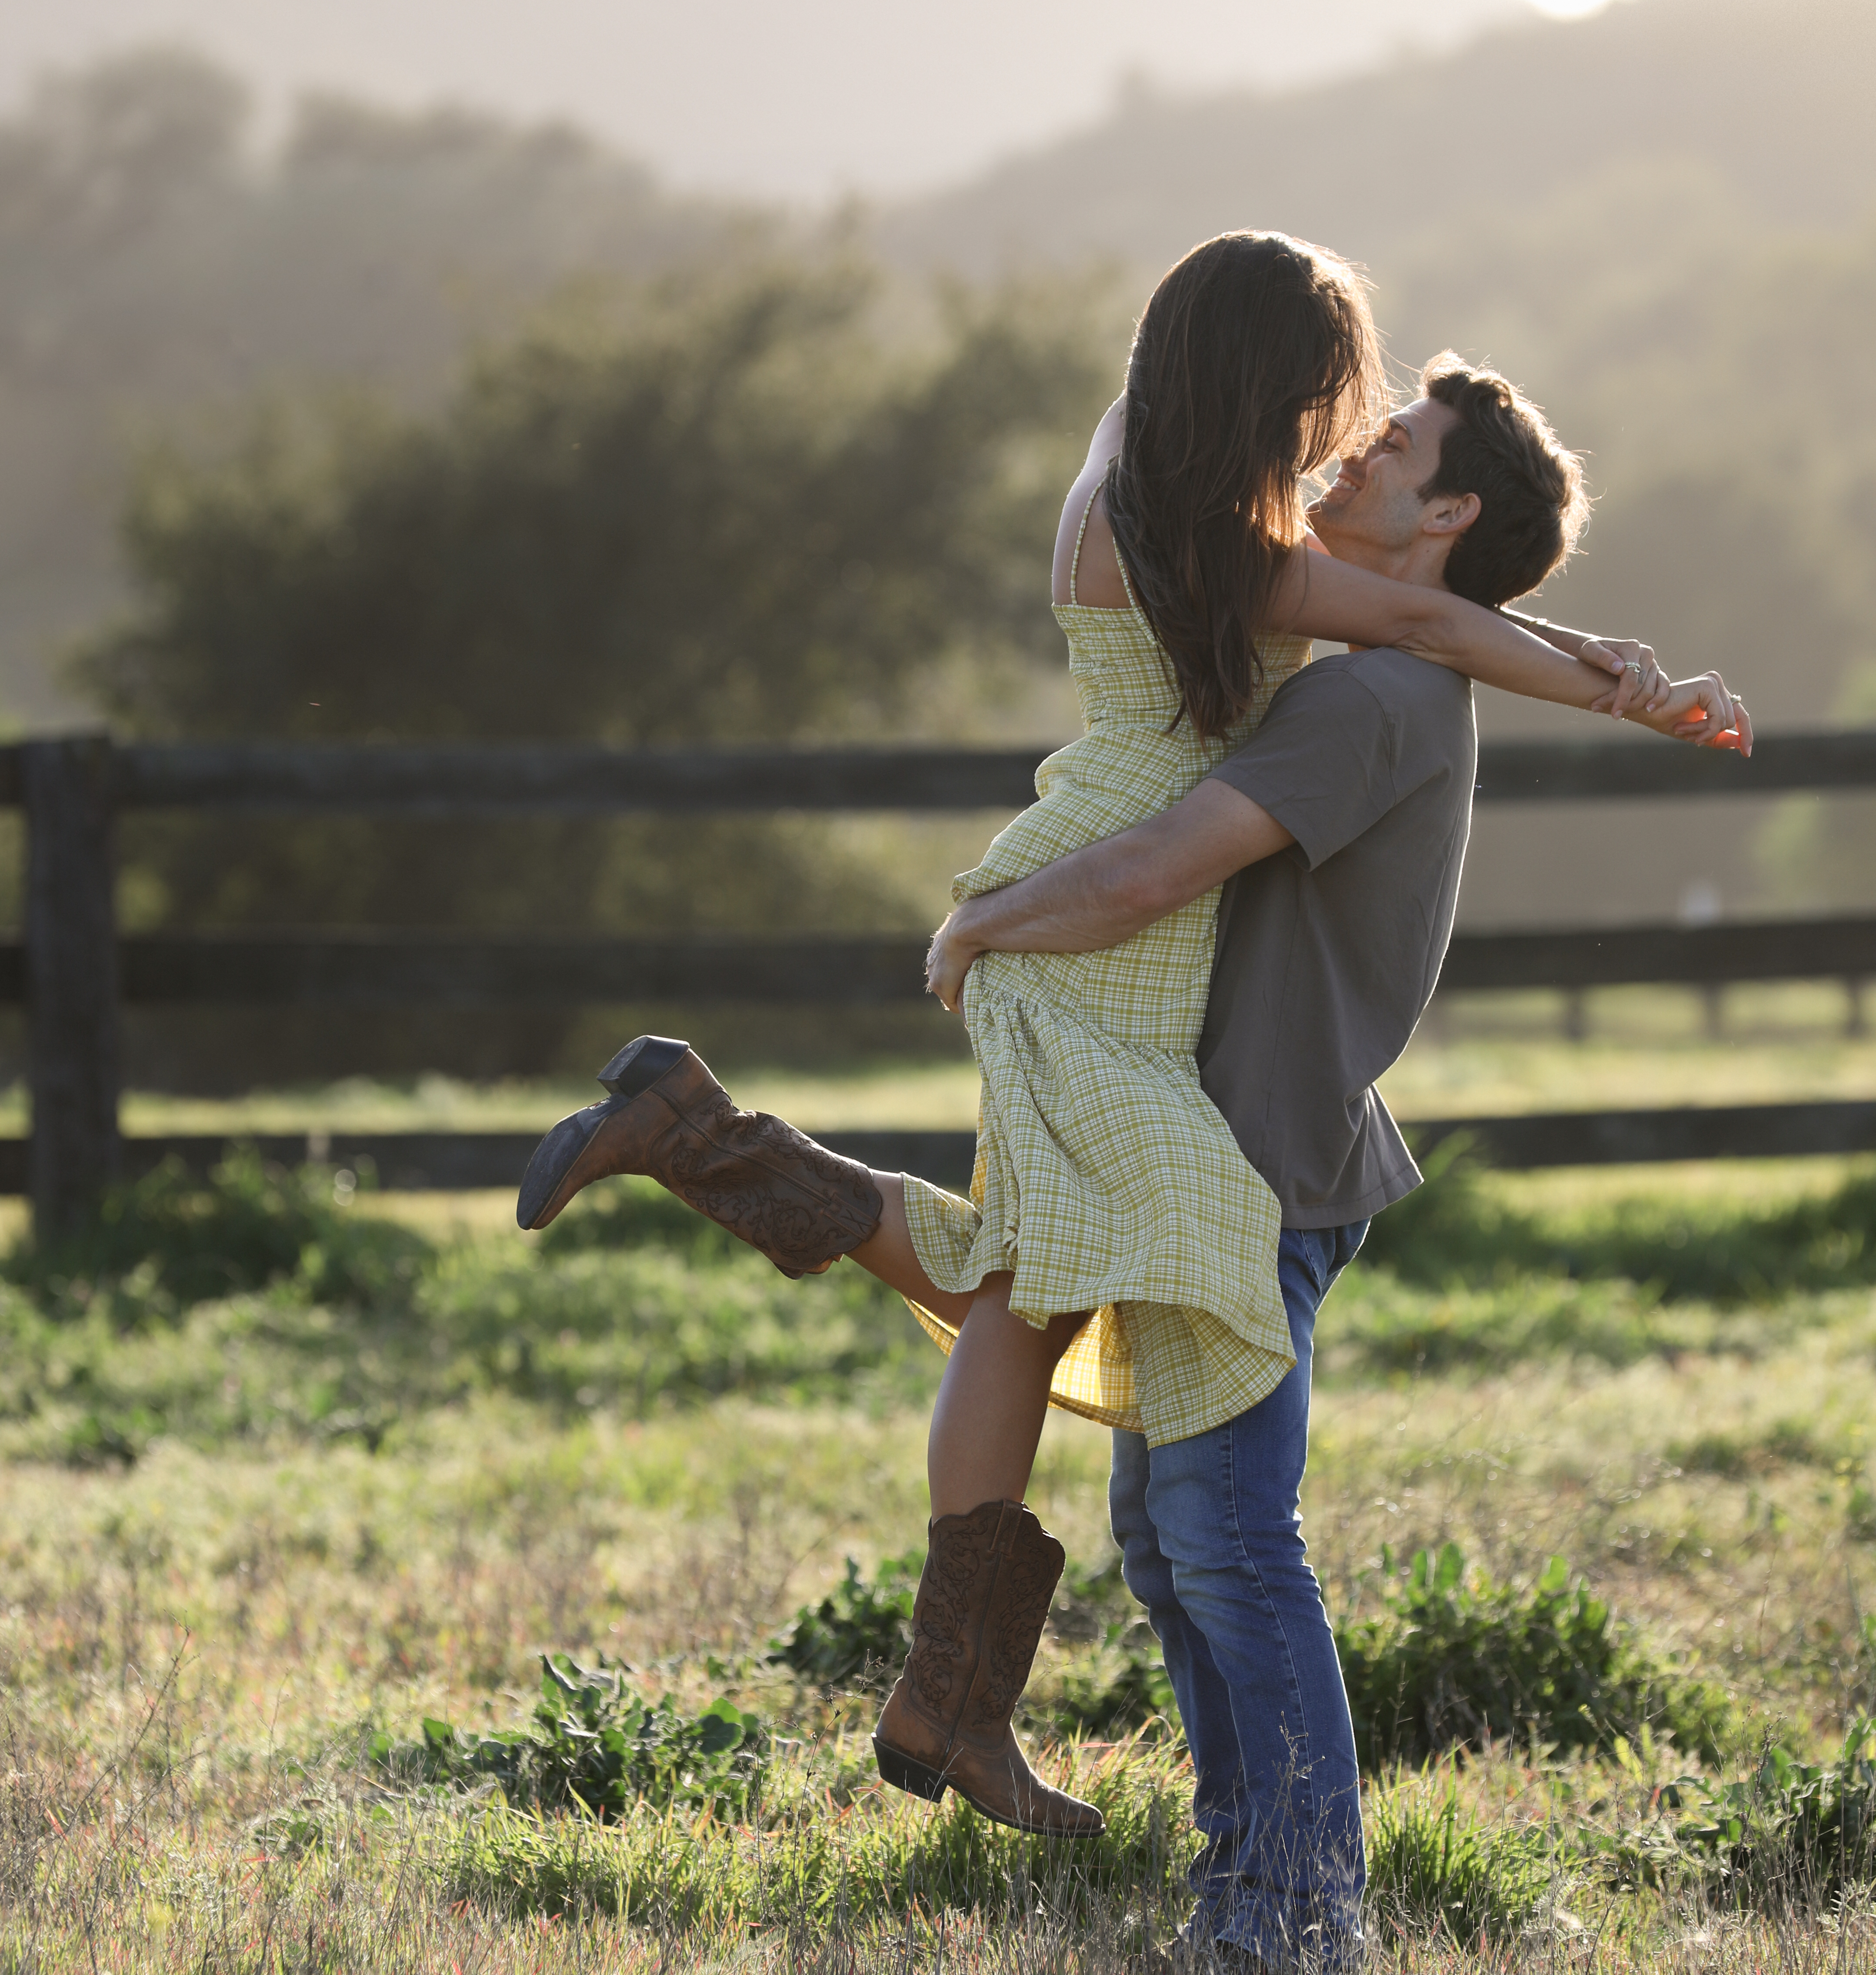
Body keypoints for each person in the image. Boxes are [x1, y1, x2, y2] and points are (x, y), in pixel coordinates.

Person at [515, 234, 1744, 1850]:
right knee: (1056, 1323)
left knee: (1022, 1286)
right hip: (1090, 912)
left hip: (1088, 904)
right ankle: (973, 1710)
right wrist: (1624, 691)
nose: (1336, 435)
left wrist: (1608, 667)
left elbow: (1427, 627)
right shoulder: (1214, 560)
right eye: (1326, 405)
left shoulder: (1141, 492)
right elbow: (1429, 635)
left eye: (1372, 431)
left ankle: (711, 1155)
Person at [919, 353, 1750, 1969]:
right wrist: (1603, 661)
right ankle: (1250, 1882)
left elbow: (1162, 866)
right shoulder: (1361, 662)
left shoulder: (1367, 702)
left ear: (1445, 512)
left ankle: (1300, 1919)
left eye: (1396, 445)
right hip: (1220, 1158)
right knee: (1175, 1541)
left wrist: (981, 924)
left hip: (1264, 1167)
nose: (1354, 450)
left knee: (1226, 1540)